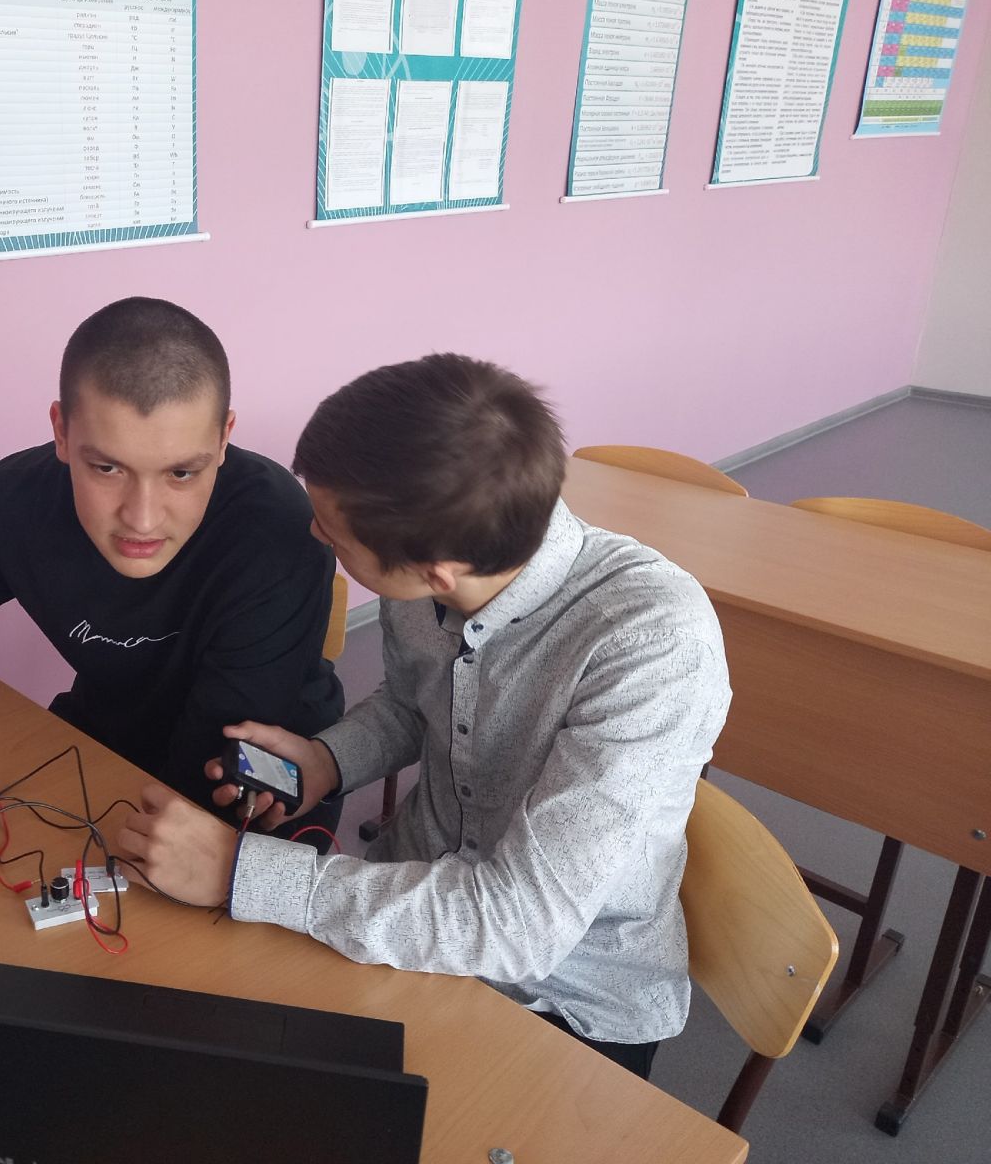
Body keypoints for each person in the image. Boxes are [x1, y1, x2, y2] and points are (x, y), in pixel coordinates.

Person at [116, 354, 731, 1079]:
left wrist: (239, 871)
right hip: (403, 905)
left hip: (564, 997)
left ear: (433, 571)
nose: (316, 536)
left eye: (335, 534)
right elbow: (415, 705)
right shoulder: (441, 562)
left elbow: (518, 927)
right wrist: (326, 762)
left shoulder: (653, 646)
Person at [0, 297, 345, 833]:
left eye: (181, 473)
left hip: (252, 795)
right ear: (62, 432)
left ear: (224, 437)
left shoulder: (278, 533)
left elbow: (207, 769)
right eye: (107, 468)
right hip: (105, 740)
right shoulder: (17, 498)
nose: (142, 519)